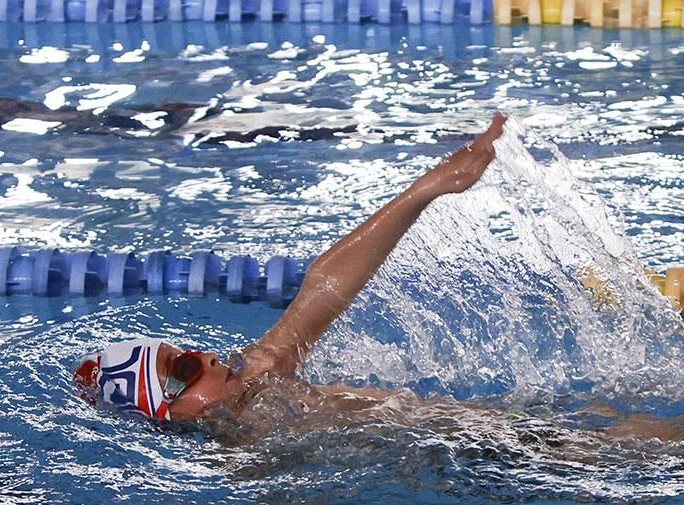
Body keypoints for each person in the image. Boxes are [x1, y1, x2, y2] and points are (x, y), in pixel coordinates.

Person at [75, 113, 510, 424]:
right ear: (166, 412)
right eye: (185, 368)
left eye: (188, 352)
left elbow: (321, 289)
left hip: (488, 428)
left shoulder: (256, 377)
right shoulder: (245, 464)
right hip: (483, 457)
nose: (206, 356)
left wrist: (427, 188)